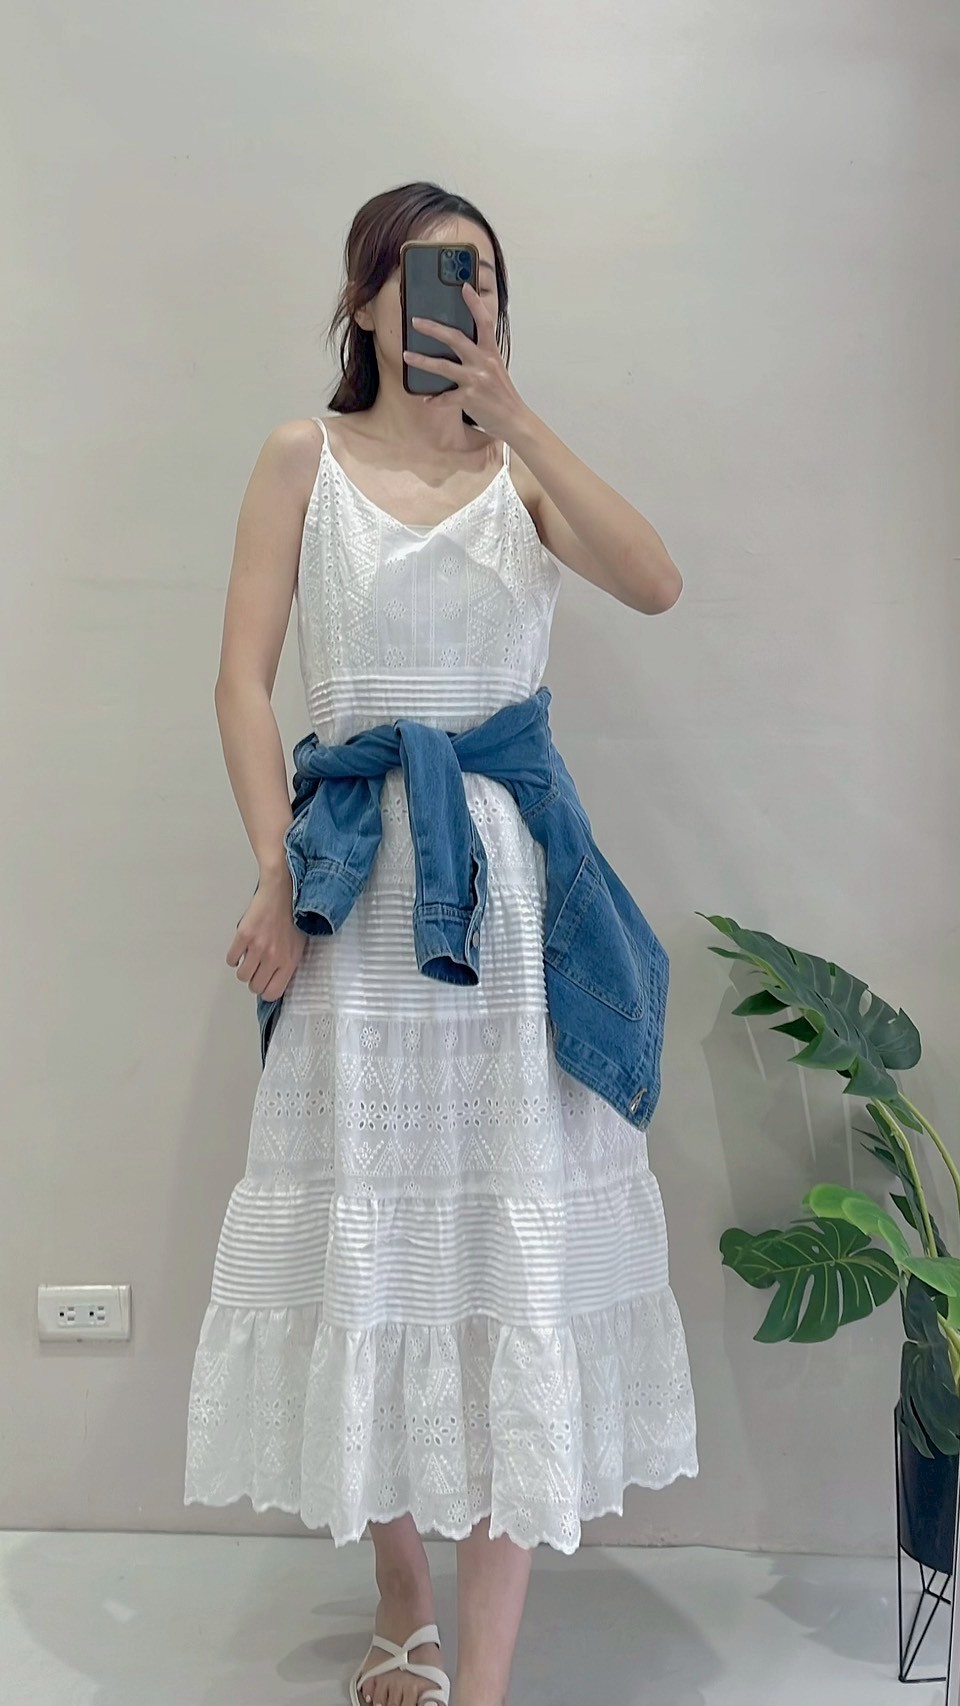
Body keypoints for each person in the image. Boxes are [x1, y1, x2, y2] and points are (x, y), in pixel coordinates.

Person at [185, 181, 698, 1706]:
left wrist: (517, 417)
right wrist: (275, 873)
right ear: (366, 298)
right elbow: (240, 681)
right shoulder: (302, 455)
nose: (459, 295)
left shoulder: (521, 471)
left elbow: (656, 581)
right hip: (355, 891)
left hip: (511, 908)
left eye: (480, 274)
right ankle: (400, 1581)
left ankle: (481, 1677)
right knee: (373, 1236)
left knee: (507, 1250)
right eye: (429, 271)